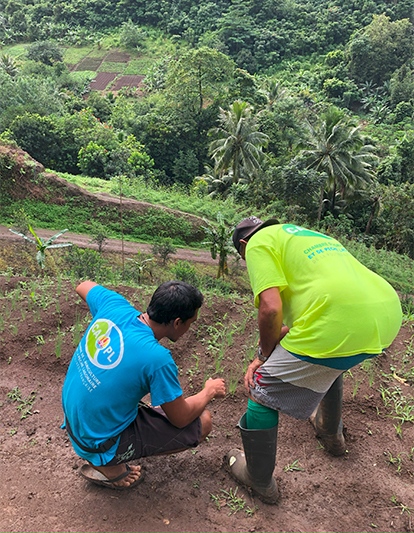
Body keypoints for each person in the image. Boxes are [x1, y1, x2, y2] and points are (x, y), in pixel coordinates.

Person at [226, 217, 402, 504]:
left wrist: (263, 358)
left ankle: (259, 480)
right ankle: (331, 435)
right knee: (329, 361)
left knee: (261, 389)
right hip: (386, 315)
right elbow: (304, 319)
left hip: (338, 322)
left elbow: (270, 309)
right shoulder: (308, 237)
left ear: (244, 245)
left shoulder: (257, 244)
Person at [62, 280, 226, 490]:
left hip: (74, 418)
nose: (190, 328)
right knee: (203, 421)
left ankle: (104, 450)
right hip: (94, 439)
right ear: (177, 322)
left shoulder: (115, 307)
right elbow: (181, 418)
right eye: (191, 322)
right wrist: (209, 391)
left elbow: (82, 286)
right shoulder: (157, 359)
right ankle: (106, 463)